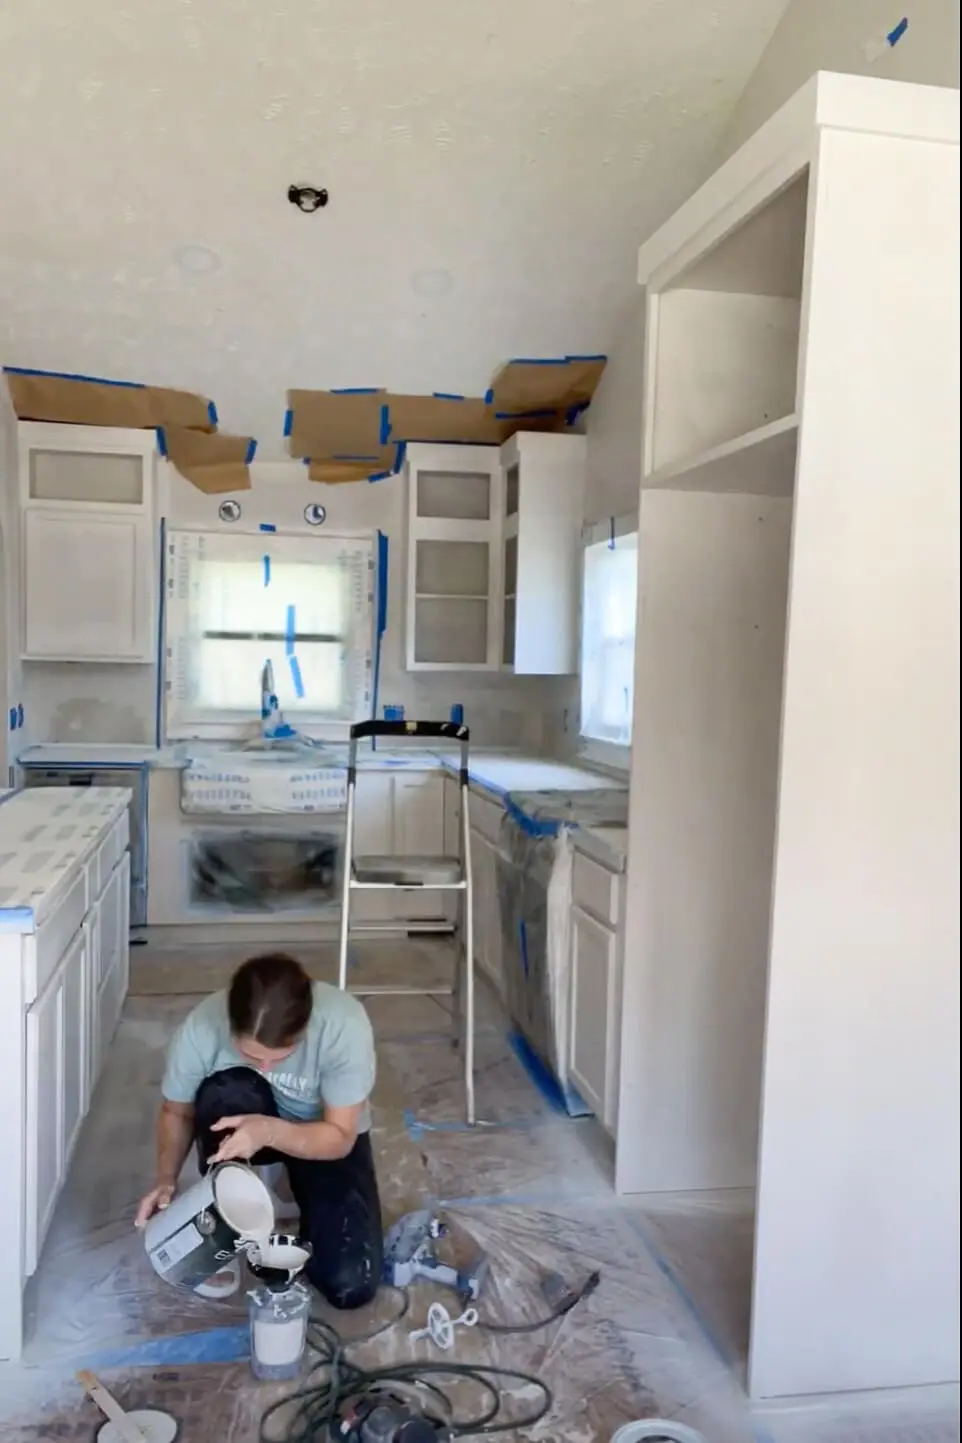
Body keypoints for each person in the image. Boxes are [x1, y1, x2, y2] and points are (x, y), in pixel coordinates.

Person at [135, 952, 382, 1310]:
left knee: (349, 1284)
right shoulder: (202, 1027)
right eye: (250, 1054)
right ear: (231, 1025)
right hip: (241, 1121)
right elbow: (177, 1111)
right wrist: (166, 1181)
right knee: (226, 1089)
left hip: (320, 1134)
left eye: (280, 1056)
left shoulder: (343, 1025)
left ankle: (297, 1192)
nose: (265, 1066)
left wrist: (269, 1132)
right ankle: (226, 1215)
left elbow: (341, 1136)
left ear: (305, 1027)